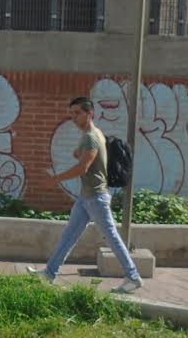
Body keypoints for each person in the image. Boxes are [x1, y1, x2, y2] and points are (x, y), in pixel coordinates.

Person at [27, 96, 143, 294]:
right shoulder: (93, 135)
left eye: (77, 113)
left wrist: (54, 180)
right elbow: (88, 157)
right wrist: (78, 152)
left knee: (112, 238)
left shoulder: (91, 136)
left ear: (90, 114)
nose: (73, 117)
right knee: (69, 236)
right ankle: (49, 273)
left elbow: (83, 167)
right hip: (86, 197)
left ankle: (133, 277)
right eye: (71, 113)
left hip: (96, 197)